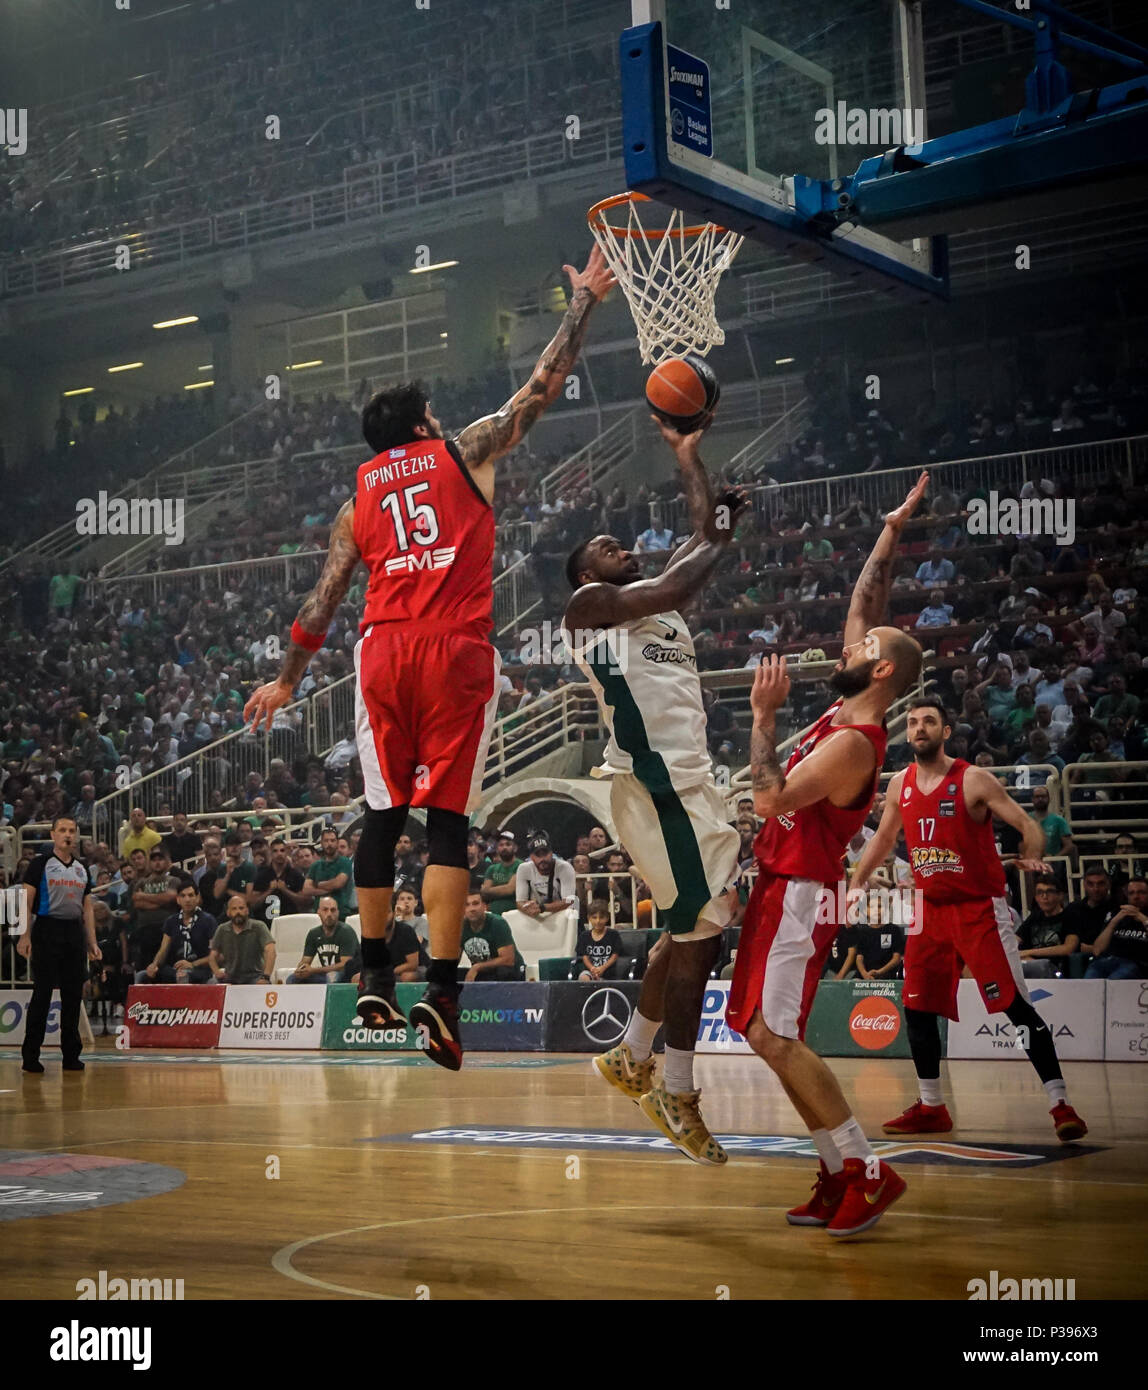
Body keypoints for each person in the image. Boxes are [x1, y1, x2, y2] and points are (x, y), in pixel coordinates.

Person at [245, 246, 615, 1071]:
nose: (444, 423)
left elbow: (321, 602)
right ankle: (442, 994)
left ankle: (375, 974)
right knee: (448, 821)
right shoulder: (463, 453)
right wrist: (583, 302)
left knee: (381, 815)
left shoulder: (355, 501)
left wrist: (285, 682)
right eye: (435, 416)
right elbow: (541, 389)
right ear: (421, 428)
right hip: (454, 650)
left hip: (380, 653)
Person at [730, 473, 932, 1235]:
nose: (847, 642)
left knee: (776, 1036)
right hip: (782, 888)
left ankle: (867, 1169)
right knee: (759, 1032)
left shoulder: (855, 743)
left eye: (863, 648)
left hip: (800, 893)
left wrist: (762, 717)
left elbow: (771, 799)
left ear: (881, 671)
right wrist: (889, 531)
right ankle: (834, 1170)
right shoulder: (852, 703)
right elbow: (865, 605)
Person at [563, 414, 744, 1166]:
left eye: (622, 543)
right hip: (653, 786)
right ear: (583, 574)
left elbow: (701, 544)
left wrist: (689, 456)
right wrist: (718, 530)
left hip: (692, 784)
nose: (621, 547)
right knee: (704, 934)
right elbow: (690, 563)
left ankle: (629, 1053)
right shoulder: (590, 611)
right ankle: (675, 1086)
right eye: (605, 548)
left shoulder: (656, 602)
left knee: (693, 926)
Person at [853, 699, 1088, 1145]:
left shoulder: (973, 780)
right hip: (929, 910)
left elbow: (1025, 825)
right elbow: (883, 838)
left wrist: (1034, 855)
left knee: (1014, 1006)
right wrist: (857, 883)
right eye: (913, 722)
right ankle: (931, 1106)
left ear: (946, 732)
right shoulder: (901, 782)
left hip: (979, 908)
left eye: (929, 722)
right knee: (918, 1009)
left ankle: (1061, 1104)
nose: (919, 728)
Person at [17, 815, 100, 1074]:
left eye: (72, 831)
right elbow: (26, 900)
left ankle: (71, 1056)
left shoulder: (81, 869)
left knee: (73, 996)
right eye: (62, 830)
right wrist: (24, 935)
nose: (67, 835)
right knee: (42, 994)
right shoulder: (40, 864)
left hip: (73, 933)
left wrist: (92, 942)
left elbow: (87, 908)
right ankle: (31, 1056)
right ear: (53, 835)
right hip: (46, 930)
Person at [137, 882, 216, 984]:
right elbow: (163, 949)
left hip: (199, 968)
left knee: (184, 976)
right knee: (144, 976)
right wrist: (154, 965)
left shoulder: (208, 920)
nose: (187, 899)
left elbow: (215, 955)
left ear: (197, 898)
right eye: (183, 896)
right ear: (178, 900)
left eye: (191, 895)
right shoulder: (171, 921)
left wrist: (192, 964)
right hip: (175, 969)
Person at [1084, 877, 1148, 979]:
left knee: (1114, 982)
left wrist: (1142, 918)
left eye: (1141, 892)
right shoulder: (1116, 914)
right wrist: (1114, 922)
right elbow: (1097, 950)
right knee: (1090, 982)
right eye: (1132, 893)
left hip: (1136, 964)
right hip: (1107, 961)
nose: (1136, 896)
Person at [1016, 878, 1079, 978]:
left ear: (1060, 896)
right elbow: (1015, 940)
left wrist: (1027, 952)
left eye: (1049, 892)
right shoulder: (1034, 917)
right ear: (1036, 897)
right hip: (1030, 966)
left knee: (1040, 966)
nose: (1044, 896)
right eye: (1040, 892)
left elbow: (1068, 948)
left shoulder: (1069, 916)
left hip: (1057, 970)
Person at [288, 897, 358, 984]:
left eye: (333, 910)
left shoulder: (346, 931)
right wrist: (300, 970)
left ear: (338, 913)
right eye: (325, 910)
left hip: (346, 975)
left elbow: (344, 965)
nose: (329, 914)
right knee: (292, 979)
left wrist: (314, 970)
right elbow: (305, 961)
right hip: (325, 974)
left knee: (333, 977)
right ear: (318, 912)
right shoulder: (314, 933)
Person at [209, 895, 275, 985]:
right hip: (230, 977)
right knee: (211, 982)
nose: (238, 912)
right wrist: (216, 972)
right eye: (234, 909)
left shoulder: (259, 926)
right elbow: (212, 956)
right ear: (228, 912)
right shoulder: (222, 929)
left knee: (264, 985)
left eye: (241, 908)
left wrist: (266, 976)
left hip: (254, 977)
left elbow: (271, 951)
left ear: (247, 910)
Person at [459, 892, 521, 981]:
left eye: (475, 904)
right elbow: (454, 960)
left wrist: (477, 967)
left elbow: (508, 960)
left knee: (503, 972)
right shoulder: (461, 927)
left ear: (485, 906)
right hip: (483, 972)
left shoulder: (497, 923)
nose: (471, 909)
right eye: (467, 905)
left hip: (509, 971)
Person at [515, 835, 577, 920]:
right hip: (536, 916)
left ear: (551, 853)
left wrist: (542, 908)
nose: (542, 859)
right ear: (531, 857)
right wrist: (527, 908)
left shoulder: (565, 867)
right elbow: (520, 901)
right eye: (538, 855)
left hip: (562, 915)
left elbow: (569, 901)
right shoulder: (523, 869)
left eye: (545, 854)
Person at [574, 900, 625, 981]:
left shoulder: (613, 934)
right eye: (594, 917)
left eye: (601, 917)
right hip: (590, 971)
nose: (598, 921)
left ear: (607, 918)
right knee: (584, 977)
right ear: (589, 918)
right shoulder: (584, 936)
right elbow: (585, 956)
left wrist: (603, 968)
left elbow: (615, 955)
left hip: (608, 972)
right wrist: (592, 968)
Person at [480, 831, 521, 911]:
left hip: (514, 914)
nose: (504, 847)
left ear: (515, 848)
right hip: (492, 913)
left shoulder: (521, 866)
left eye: (508, 844)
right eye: (501, 845)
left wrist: (487, 890)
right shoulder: (492, 869)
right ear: (497, 849)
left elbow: (509, 890)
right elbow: (484, 895)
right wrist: (489, 891)